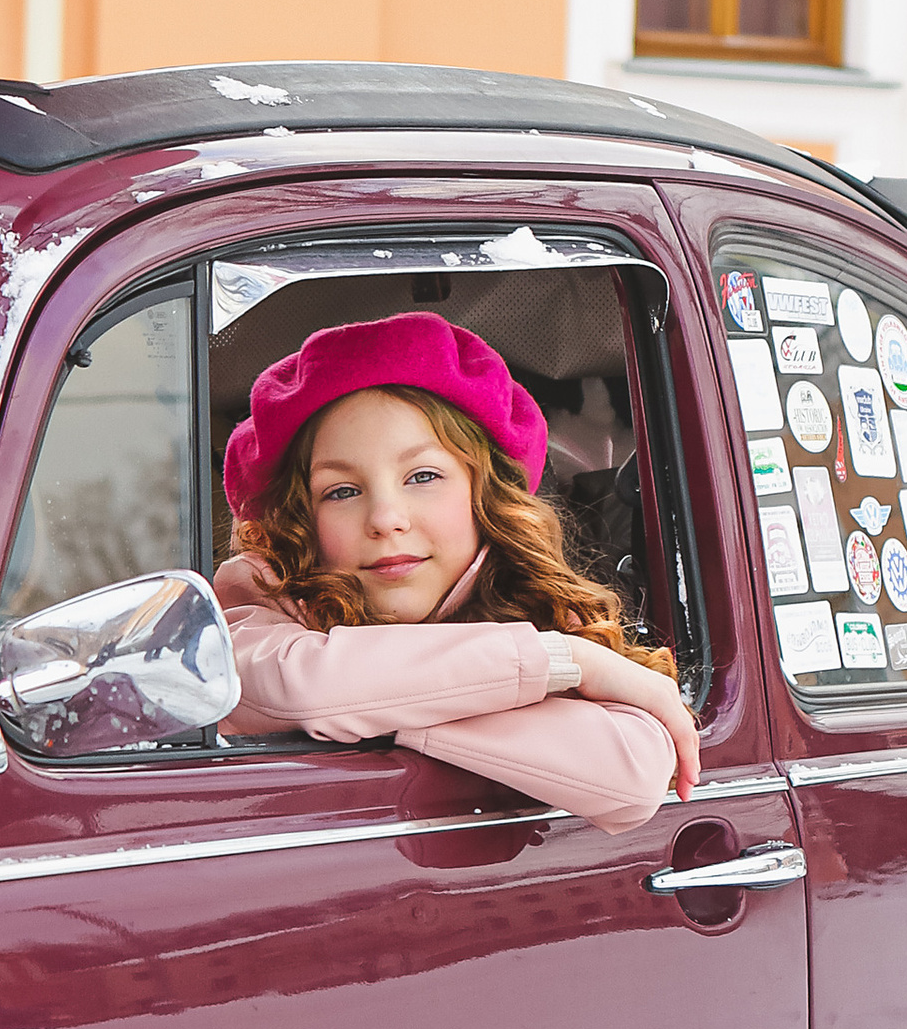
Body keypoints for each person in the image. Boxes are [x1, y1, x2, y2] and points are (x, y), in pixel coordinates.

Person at [215, 311, 697, 835]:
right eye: (342, 491)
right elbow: (292, 684)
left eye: (423, 476)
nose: (385, 520)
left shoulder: (535, 604)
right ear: (301, 519)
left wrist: (375, 702)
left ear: (482, 496)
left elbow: (631, 775)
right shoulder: (259, 601)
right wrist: (563, 660)